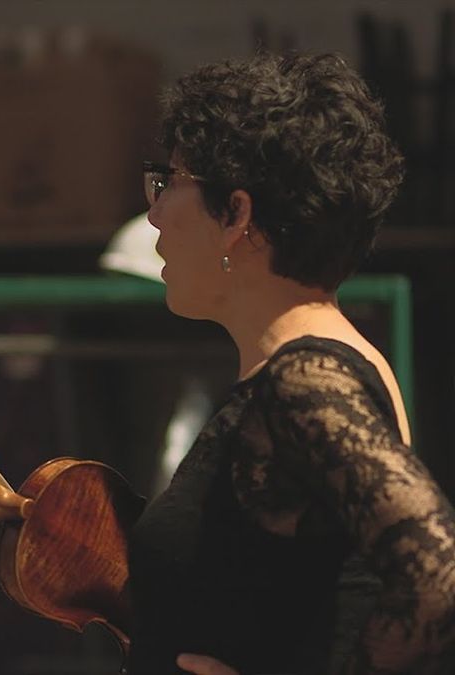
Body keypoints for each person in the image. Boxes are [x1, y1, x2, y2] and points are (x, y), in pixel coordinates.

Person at [128, 52, 455, 674]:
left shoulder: (306, 380)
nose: (154, 211)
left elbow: (436, 571)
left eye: (168, 181)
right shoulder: (315, 368)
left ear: (237, 214)